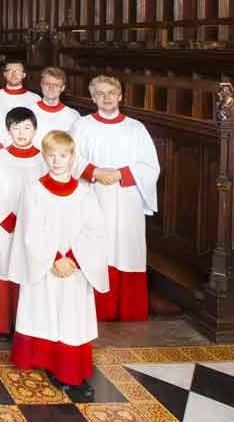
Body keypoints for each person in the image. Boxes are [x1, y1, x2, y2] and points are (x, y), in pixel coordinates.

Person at [10, 131, 109, 397]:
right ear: (44, 157)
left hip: (76, 268)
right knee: (44, 312)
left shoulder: (85, 193)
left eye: (62, 156)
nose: (57, 161)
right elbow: (31, 231)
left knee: (71, 318)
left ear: (72, 157)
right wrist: (53, 258)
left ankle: (69, 369)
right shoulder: (33, 190)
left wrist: (74, 259)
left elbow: (95, 230)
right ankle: (46, 361)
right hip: (46, 266)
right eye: (51, 156)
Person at [71, 75, 159, 322]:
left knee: (126, 249)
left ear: (121, 96)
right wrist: (94, 172)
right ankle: (98, 310)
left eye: (111, 92)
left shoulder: (135, 128)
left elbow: (150, 166)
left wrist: (121, 173)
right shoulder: (82, 126)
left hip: (126, 198)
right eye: (100, 93)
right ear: (92, 97)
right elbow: (71, 159)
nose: (106, 98)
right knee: (96, 247)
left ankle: (128, 309)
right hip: (93, 195)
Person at [0, 107, 46, 340]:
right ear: (8, 131)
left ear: (35, 130)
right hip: (4, 226)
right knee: (3, 270)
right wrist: (7, 219)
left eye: (27, 127)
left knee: (29, 272)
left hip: (34, 228)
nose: (21, 133)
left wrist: (29, 220)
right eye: (15, 128)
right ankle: (2, 323)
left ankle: (26, 324)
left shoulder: (44, 159)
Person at [0, 59, 42, 150]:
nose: (14, 74)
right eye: (10, 71)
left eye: (17, 71)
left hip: (24, 149)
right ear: (5, 74)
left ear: (24, 74)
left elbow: (37, 127)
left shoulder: (35, 99)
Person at [30, 67, 81, 148]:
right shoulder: (29, 111)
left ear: (62, 88)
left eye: (56, 85)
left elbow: (75, 146)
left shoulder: (73, 115)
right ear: (41, 85)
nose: (51, 88)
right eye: (47, 84)